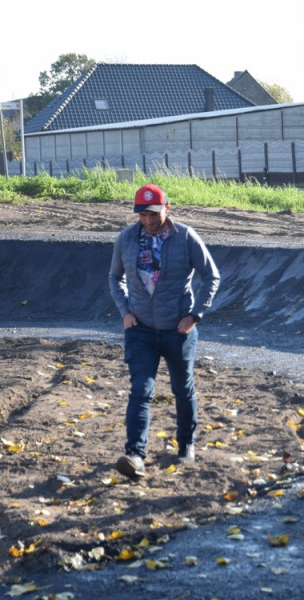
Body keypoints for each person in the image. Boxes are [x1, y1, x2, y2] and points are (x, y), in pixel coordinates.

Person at [108, 184, 221, 479]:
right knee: (140, 391)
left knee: (182, 389)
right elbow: (114, 277)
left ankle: (186, 445)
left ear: (167, 208)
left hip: (177, 330)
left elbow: (212, 276)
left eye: (153, 213)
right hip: (140, 330)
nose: (148, 220)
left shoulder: (185, 237)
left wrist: (195, 315)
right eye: (143, 214)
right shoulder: (126, 239)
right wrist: (125, 312)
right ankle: (135, 455)